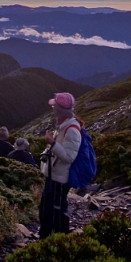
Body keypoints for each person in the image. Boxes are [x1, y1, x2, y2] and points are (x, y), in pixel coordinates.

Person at [38, 92, 81, 239]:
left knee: (56, 209)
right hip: (53, 174)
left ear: (60, 109)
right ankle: (46, 236)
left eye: (54, 106)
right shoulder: (63, 125)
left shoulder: (72, 130)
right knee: (47, 208)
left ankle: (59, 240)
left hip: (60, 178)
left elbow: (69, 157)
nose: (52, 108)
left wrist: (52, 143)